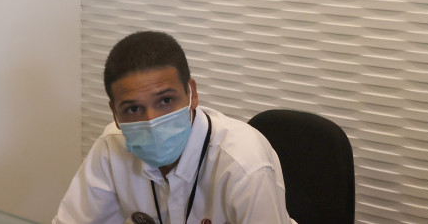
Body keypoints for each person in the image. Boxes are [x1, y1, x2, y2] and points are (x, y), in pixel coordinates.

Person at [53, 30, 295, 224]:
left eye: (166, 100)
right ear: (115, 114)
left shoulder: (244, 164)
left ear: (192, 94)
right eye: (133, 109)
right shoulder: (111, 147)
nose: (152, 121)